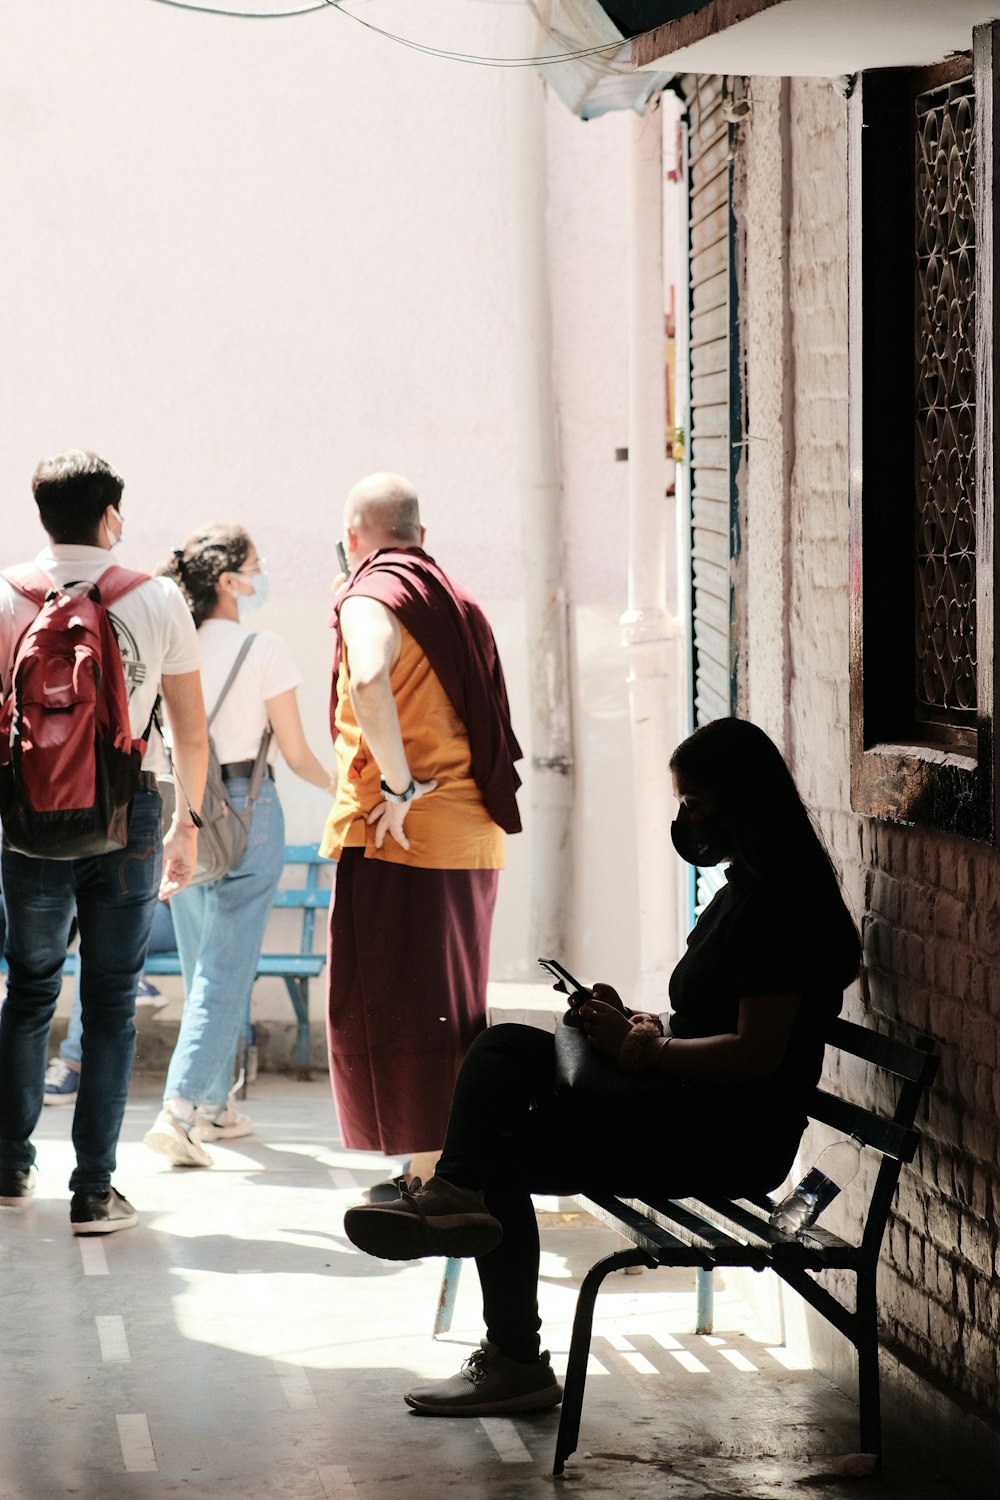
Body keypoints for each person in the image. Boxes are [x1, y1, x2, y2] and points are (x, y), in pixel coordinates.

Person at [342, 717, 862, 1416]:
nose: (684, 820)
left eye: (697, 805)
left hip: (724, 1136)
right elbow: (718, 1021)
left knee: (503, 1150)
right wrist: (641, 1026)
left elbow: (754, 1054)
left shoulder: (779, 908)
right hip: (688, 1102)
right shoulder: (752, 889)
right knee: (507, 1048)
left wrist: (639, 1050)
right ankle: (456, 1194)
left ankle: (508, 1342)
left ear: (745, 801)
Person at [0, 449, 208, 1233]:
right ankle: (93, 1190)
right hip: (130, 816)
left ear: (43, 514)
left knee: (27, 993)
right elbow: (190, 728)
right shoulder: (154, 598)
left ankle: (9, 1167)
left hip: (29, 820)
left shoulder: (9, 594)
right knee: (112, 1001)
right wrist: (188, 821)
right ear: (111, 516)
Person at [321, 472, 522, 1192]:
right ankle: (431, 1164)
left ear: (352, 539)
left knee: (401, 1008)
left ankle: (439, 1173)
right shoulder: (455, 598)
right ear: (422, 537)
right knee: (447, 1005)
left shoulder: (371, 593)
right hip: (468, 832)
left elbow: (370, 678)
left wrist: (400, 785)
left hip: (401, 835)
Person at [144, 525, 333, 1168]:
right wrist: (343, 787)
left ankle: (218, 1106)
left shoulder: (176, 642)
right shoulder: (264, 646)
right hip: (250, 812)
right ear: (227, 581)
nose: (261, 577)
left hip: (183, 813)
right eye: (254, 567)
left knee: (206, 969)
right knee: (225, 972)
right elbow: (299, 751)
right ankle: (180, 1110)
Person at [42, 901, 178, 1106]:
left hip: (186, 914)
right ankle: (132, 986)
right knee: (98, 926)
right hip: (145, 908)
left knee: (112, 924)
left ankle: (74, 1063)